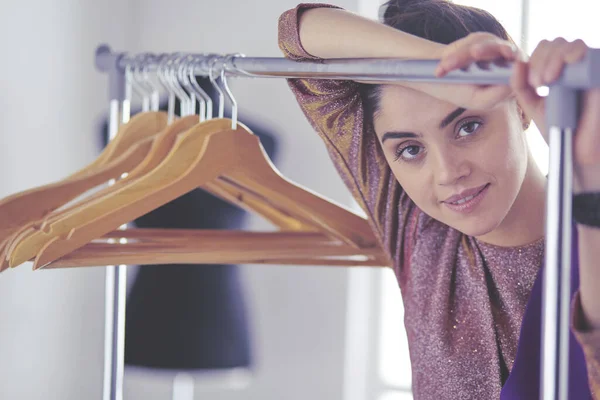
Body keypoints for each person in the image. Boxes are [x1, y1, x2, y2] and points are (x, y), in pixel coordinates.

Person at [278, 1, 600, 398]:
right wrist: (437, 65)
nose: (448, 173)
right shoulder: (411, 224)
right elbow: (297, 35)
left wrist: (589, 173)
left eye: (468, 126)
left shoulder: (590, 227)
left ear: (520, 106)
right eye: (410, 150)